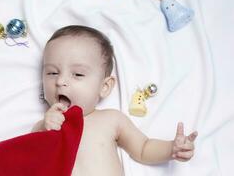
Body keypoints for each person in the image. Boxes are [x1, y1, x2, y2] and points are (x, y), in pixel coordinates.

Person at [32, 25, 198, 175]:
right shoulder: (46, 125)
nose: (60, 81)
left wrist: (171, 149)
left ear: (104, 86)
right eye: (52, 73)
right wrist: (45, 128)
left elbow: (143, 148)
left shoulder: (111, 119)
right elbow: (30, 156)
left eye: (78, 74)